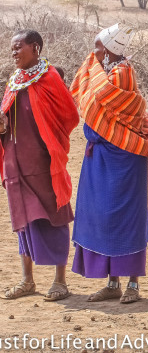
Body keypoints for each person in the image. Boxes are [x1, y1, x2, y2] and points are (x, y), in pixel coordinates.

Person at [70, 23, 148, 304]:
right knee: (101, 216)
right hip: (98, 156)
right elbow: (89, 102)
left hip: (123, 156)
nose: (92, 52)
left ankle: (132, 284)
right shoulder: (101, 72)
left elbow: (118, 105)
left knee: (126, 216)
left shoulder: (121, 74)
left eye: (97, 47)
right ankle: (112, 281)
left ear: (108, 50)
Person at [0, 29, 79, 301]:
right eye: (11, 48)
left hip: (45, 164)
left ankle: (60, 281)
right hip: (16, 164)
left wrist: (51, 138)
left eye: (18, 47)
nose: (13, 53)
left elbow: (68, 115)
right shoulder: (14, 81)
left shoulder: (50, 79)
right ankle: (28, 280)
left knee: (55, 218)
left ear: (35, 48)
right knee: (23, 222)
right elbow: (7, 118)